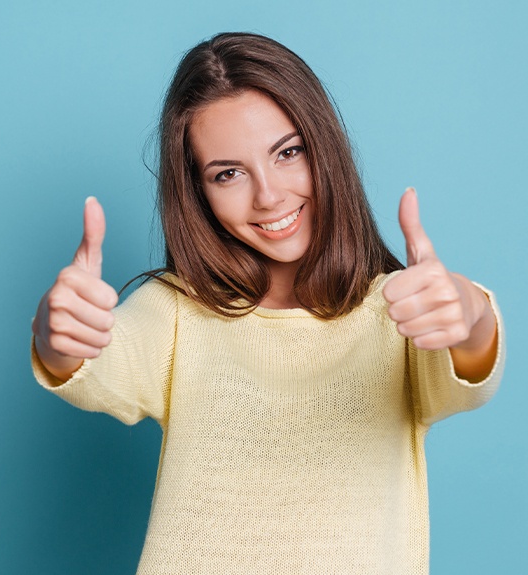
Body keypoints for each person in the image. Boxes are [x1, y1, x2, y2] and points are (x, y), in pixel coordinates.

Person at [31, 32, 504, 575]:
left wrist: (467, 311)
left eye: (289, 152)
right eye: (227, 173)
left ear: (325, 147)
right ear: (198, 192)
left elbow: (466, 370)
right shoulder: (178, 310)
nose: (269, 195)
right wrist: (58, 331)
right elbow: (98, 364)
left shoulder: (396, 310)